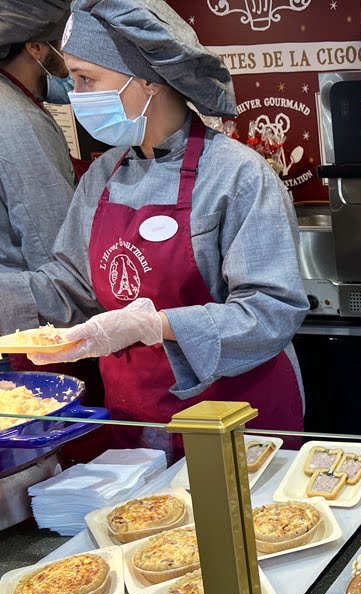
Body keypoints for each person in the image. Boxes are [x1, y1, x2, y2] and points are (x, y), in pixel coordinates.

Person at [0, 0, 308, 450]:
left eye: (87, 79)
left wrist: (153, 325)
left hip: (236, 416)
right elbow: (70, 287)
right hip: (137, 417)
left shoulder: (237, 175)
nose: (76, 95)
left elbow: (270, 312)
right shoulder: (104, 175)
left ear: (148, 81)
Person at [0, 1, 77, 373]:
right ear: (36, 47)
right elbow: (56, 254)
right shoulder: (17, 120)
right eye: (64, 45)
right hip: (28, 339)